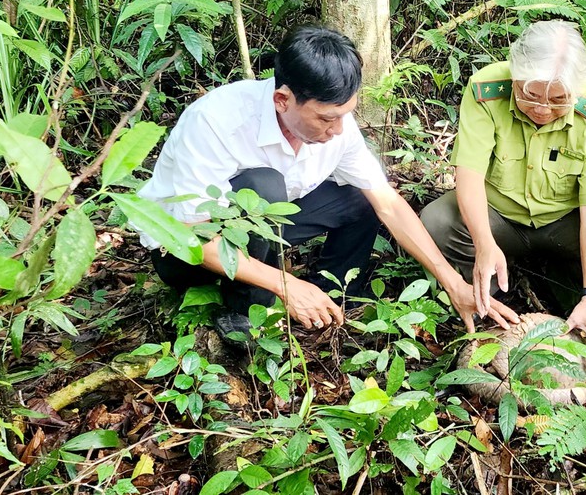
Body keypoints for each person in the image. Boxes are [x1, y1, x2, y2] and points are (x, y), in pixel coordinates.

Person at [138, 24, 519, 337]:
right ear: (283, 100)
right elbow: (192, 236)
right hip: (185, 250)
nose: (338, 130)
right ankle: (244, 311)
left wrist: (452, 282)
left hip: (268, 226)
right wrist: (286, 284)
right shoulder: (216, 121)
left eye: (345, 114)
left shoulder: (337, 125)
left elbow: (387, 203)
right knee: (262, 186)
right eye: (326, 118)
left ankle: (331, 298)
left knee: (360, 198)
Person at [420, 20, 586, 352]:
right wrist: (484, 244)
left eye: (559, 100)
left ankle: (571, 287)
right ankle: (491, 298)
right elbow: (468, 175)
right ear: (515, 75)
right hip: (498, 214)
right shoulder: (486, 89)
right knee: (435, 225)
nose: (543, 108)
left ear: (578, 89)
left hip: (564, 222)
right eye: (530, 94)